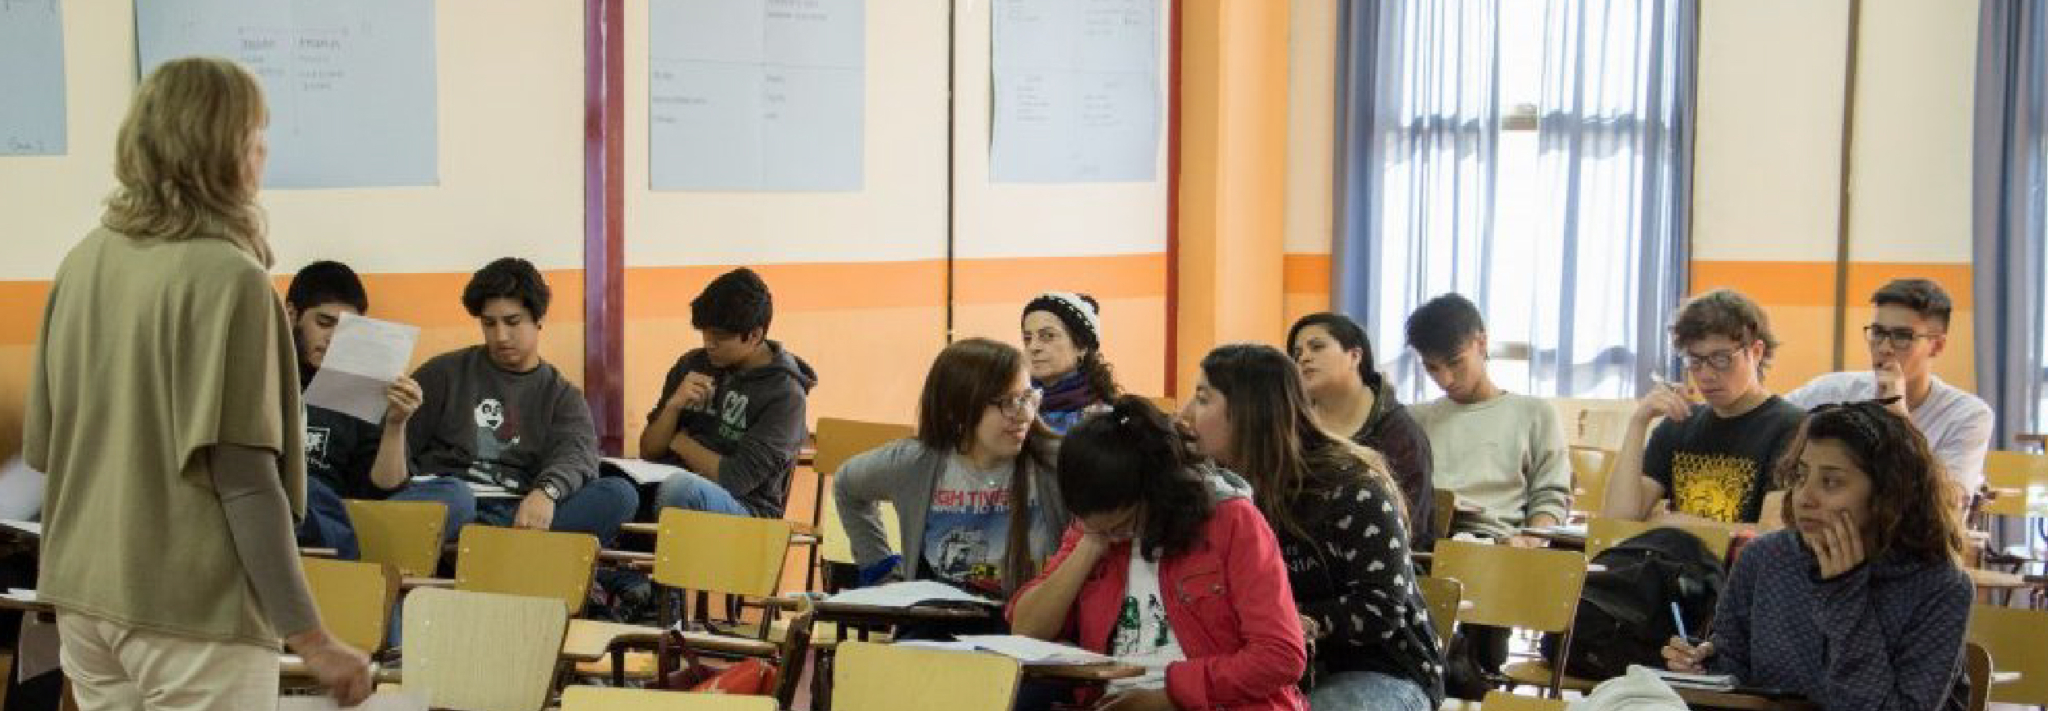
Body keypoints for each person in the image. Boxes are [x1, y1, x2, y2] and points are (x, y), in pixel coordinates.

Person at [23, 57, 369, 708]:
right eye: (256, 133)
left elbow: (44, 448)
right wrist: (312, 636)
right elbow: (245, 482)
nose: (265, 151)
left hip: (85, 599)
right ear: (223, 148)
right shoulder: (233, 279)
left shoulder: (83, 260)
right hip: (192, 611)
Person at [1182, 344, 1446, 710]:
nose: (1186, 414)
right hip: (1269, 667)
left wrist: (1290, 621)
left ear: (1248, 413)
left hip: (1378, 669)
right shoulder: (1216, 490)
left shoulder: (1351, 487)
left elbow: (1381, 607)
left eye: (1202, 399)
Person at [1664, 400, 1973, 711]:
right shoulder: (1764, 558)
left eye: (1831, 482)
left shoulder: (1940, 585)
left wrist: (1845, 595)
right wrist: (1702, 666)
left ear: (1887, 494)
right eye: (1800, 476)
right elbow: (1732, 676)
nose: (1805, 498)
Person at [1011, 396, 1308, 711]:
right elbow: (1027, 630)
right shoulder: (1094, 526)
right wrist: (1091, 544)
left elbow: (1281, 655)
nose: (1111, 534)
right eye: (1089, 523)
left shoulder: (1231, 520)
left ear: (1154, 492)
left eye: (1121, 525)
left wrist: (1171, 696)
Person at [406, 257, 638, 543]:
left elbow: (577, 457)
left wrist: (547, 492)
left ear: (538, 319)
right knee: (455, 497)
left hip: (520, 510)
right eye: (489, 324)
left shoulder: (562, 396)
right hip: (451, 501)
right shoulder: (443, 373)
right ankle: (503, 549)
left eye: (512, 322)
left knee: (619, 494)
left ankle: (486, 545)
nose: (501, 336)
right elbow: (398, 451)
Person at [835, 338, 1069, 599]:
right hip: (939, 618)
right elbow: (846, 485)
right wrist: (880, 570)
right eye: (1008, 402)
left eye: (1028, 397)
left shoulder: (1057, 463)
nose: (1025, 414)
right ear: (957, 410)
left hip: (1029, 618)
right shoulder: (916, 463)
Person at [285, 260, 473, 555]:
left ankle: (350, 543)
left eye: (346, 330)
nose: (333, 338)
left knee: (457, 495)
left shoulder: (364, 386)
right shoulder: (267, 377)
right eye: (324, 323)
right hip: (288, 503)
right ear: (291, 315)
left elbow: (384, 490)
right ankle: (362, 549)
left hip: (345, 511)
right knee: (300, 486)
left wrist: (396, 424)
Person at [1604, 289, 1806, 525]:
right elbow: (1617, 521)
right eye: (1695, 360)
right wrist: (1639, 422)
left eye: (1721, 359)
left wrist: (1682, 524)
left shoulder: (1792, 428)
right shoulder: (1679, 423)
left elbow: (1772, 533)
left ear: (1756, 352)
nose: (1706, 375)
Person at [1784, 279, 1990, 508]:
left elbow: (1947, 504)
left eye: (1902, 336)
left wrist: (1898, 418)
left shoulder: (1967, 414)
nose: (1884, 348)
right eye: (1878, 333)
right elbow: (1772, 420)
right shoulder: (1834, 390)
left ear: (1937, 346)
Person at [641, 267, 818, 518]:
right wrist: (673, 406)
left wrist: (681, 443)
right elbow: (649, 451)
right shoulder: (692, 364)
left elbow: (735, 479)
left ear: (754, 335)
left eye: (719, 337)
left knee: (681, 491)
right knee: (617, 490)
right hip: (673, 484)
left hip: (747, 510)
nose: (708, 344)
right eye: (704, 333)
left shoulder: (786, 396)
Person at [1403, 294, 1571, 543]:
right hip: (1424, 545)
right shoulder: (1413, 419)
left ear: (1481, 344)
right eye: (1432, 368)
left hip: (1498, 544)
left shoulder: (1535, 414)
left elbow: (1550, 497)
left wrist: (1529, 542)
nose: (1445, 379)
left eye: (1455, 362)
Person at [1289, 312, 1437, 547]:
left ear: (1355, 356)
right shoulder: (1292, 427)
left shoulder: (1400, 433)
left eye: (1317, 347)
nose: (1304, 358)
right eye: (1297, 354)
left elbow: (1411, 527)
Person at [1022, 292, 1121, 433]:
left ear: (1082, 347)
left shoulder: (1107, 419)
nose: (1033, 347)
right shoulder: (1013, 410)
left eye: (1048, 336)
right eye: (1027, 338)